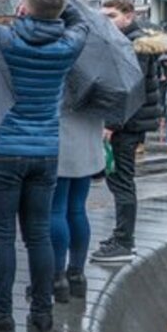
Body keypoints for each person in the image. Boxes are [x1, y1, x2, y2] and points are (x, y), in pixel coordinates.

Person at [0, 0, 89, 332]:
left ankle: (1, 315)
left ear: (21, 9)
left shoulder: (2, 39)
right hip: (45, 152)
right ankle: (43, 315)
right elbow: (78, 17)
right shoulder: (69, 45)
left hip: (1, 150)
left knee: (1, 239)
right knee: (38, 236)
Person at [93, 0, 167, 263]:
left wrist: (112, 124)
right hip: (131, 122)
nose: (107, 22)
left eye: (112, 16)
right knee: (120, 180)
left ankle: (125, 241)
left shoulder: (132, 46)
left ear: (129, 16)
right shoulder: (133, 43)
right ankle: (122, 236)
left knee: (122, 181)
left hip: (126, 124)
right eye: (103, 17)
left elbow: (128, 88)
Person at [51, 103, 104, 304]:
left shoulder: (67, 71)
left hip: (63, 142)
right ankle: (77, 275)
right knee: (78, 209)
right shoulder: (101, 71)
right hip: (89, 142)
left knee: (56, 211)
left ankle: (57, 278)